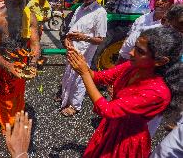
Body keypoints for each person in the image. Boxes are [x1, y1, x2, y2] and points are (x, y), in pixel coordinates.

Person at [67, 27, 182, 158]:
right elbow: (100, 77)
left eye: (140, 51)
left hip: (126, 141)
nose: (131, 53)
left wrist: (83, 73)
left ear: (160, 61)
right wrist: (80, 62)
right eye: (135, 47)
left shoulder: (158, 92)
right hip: (111, 128)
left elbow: (107, 109)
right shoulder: (132, 66)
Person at [117, 0, 183, 137]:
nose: (160, 2)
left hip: (155, 93)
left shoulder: (172, 44)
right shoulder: (147, 26)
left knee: (142, 128)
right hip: (136, 78)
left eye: (166, 0)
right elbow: (128, 50)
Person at [0, 0, 40, 134]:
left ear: (26, 0)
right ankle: (5, 124)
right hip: (2, 64)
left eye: (21, 4)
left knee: (18, 94)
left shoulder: (30, 17)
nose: (17, 9)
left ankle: (16, 118)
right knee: (4, 97)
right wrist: (9, 66)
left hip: (22, 62)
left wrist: (33, 63)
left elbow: (35, 44)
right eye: (13, 4)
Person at [59, 0, 107, 116]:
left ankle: (75, 105)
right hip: (72, 50)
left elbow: (100, 39)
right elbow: (71, 29)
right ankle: (65, 99)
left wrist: (83, 37)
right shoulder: (80, 8)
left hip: (85, 53)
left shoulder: (100, 12)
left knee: (79, 78)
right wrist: (68, 39)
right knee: (68, 74)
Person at [118, 0, 183, 63]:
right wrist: (122, 54)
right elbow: (129, 37)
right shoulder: (142, 18)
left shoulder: (171, 26)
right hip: (124, 58)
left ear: (175, 3)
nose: (159, 2)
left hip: (143, 65)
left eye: (164, 0)